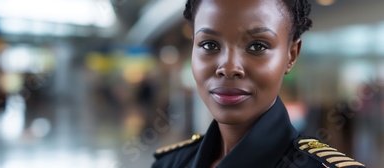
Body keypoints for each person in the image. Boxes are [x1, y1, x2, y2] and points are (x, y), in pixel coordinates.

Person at [151, 0, 366, 167]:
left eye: (257, 46)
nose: (228, 67)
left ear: (291, 55)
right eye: (209, 44)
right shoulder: (169, 163)